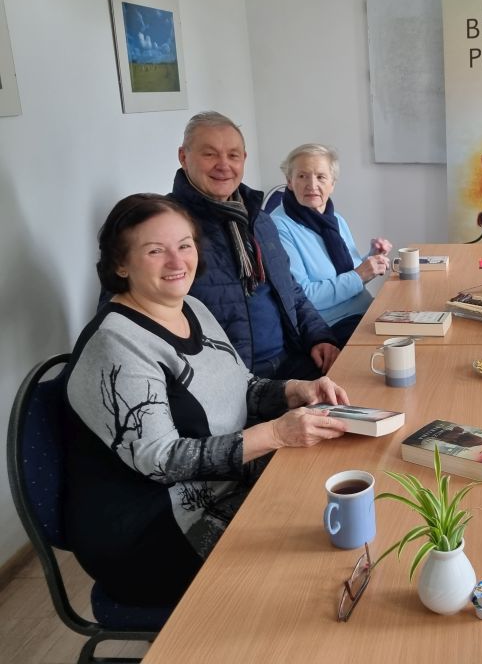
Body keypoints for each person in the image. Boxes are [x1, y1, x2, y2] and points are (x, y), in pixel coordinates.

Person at [65, 194, 353, 606]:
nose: (177, 261)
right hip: (153, 535)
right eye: (154, 250)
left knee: (334, 502)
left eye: (184, 245)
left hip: (222, 489)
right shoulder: (116, 345)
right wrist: (275, 434)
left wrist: (296, 390)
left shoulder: (194, 307)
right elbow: (160, 460)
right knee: (315, 556)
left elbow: (244, 386)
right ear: (120, 264)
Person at [171, 111, 339, 380]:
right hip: (229, 380)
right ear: (183, 157)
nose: (223, 165)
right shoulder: (168, 227)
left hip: (288, 361)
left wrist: (320, 336)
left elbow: (291, 291)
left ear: (244, 160)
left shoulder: (258, 220)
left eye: (233, 155)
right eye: (210, 154)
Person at [270, 144, 391, 346]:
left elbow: (347, 276)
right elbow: (304, 297)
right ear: (289, 181)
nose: (312, 184)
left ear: (332, 183)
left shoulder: (334, 219)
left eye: (320, 177)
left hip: (364, 311)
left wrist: (372, 258)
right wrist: (361, 274)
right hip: (329, 328)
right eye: (302, 176)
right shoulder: (278, 226)